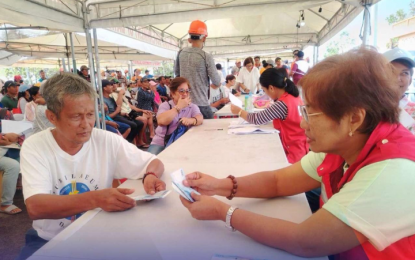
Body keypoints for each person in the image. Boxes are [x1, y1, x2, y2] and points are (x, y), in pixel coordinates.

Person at [180, 47, 415, 260]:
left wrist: (223, 212)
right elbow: (278, 182)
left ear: (353, 118)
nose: (303, 125)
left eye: (311, 113)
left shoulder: (392, 170)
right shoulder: (348, 142)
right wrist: (218, 185)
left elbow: (306, 241)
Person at [18, 72, 166, 260]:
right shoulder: (36, 146)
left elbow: (153, 162)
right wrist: (96, 199)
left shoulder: (105, 140)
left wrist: (150, 175)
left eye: (90, 115)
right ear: (52, 117)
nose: (86, 124)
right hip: (49, 239)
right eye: (76, 117)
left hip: (101, 232)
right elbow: (36, 207)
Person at [231, 68, 307, 164]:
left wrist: (239, 111)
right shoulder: (294, 97)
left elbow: (257, 119)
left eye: (264, 90)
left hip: (293, 149)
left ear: (271, 88)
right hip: (301, 145)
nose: (265, 93)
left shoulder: (282, 104)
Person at [174, 20, 221, 119]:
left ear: (190, 38)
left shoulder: (181, 53)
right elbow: (216, 81)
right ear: (204, 38)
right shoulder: (206, 56)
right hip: (201, 104)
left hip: (184, 103)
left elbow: (177, 75)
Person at [147, 77, 203, 155]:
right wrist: (178, 107)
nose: (185, 94)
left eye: (187, 91)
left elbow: (200, 118)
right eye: (181, 91)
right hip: (162, 142)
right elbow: (161, 121)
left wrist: (192, 120)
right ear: (173, 93)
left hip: (183, 142)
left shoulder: (192, 107)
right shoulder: (165, 106)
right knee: (150, 163)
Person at [102, 80, 146, 145]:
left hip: (119, 115)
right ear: (105, 88)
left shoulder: (110, 98)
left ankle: (129, 142)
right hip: (112, 118)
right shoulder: (103, 100)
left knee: (140, 123)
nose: (112, 86)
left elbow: (118, 109)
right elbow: (109, 114)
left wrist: (123, 113)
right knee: (132, 125)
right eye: (110, 85)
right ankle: (126, 143)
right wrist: (117, 110)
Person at [383, 47, 415, 134]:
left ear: (410, 80)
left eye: (404, 73)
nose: (397, 79)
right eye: (390, 72)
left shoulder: (413, 111)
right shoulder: (367, 109)